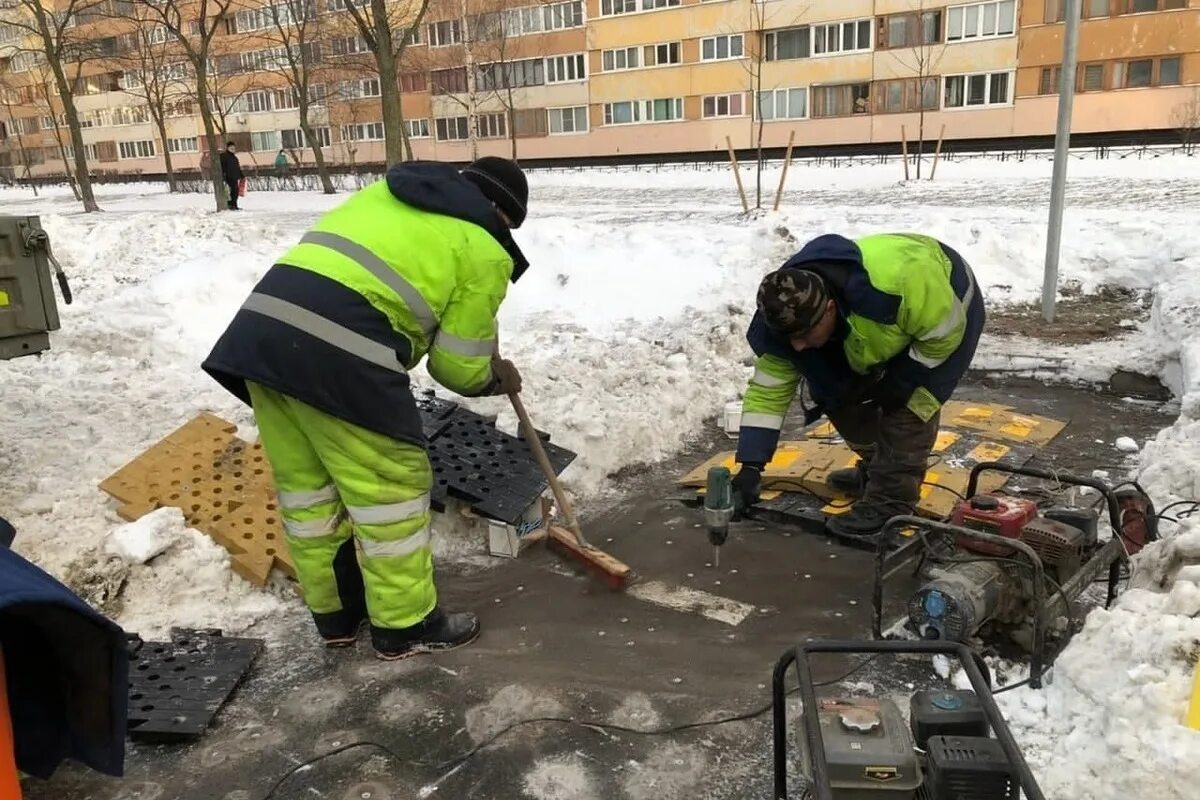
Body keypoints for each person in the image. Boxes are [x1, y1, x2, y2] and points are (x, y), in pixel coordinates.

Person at [201, 157, 530, 660]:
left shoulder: (389, 196)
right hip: (339, 353)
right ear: (499, 214)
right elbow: (457, 370)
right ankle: (405, 624)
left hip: (261, 342)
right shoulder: (483, 248)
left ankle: (338, 616)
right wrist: (494, 377)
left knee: (309, 497)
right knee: (390, 490)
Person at [731, 232, 986, 538]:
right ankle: (877, 470)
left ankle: (892, 500)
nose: (797, 347)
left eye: (804, 336)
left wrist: (904, 380)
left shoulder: (896, 289)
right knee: (835, 391)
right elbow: (768, 393)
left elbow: (942, 336)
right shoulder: (784, 316)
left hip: (946, 310)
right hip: (875, 325)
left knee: (909, 404)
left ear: (828, 309)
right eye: (791, 339)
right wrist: (750, 465)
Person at [219, 142, 244, 210]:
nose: (233, 149)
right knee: (229, 192)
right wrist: (223, 175)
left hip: (234, 177)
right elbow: (222, 167)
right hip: (228, 177)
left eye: (234, 148)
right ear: (227, 148)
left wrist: (241, 175)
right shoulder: (223, 156)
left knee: (235, 191)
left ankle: (234, 205)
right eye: (231, 148)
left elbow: (237, 167)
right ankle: (230, 205)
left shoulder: (234, 158)